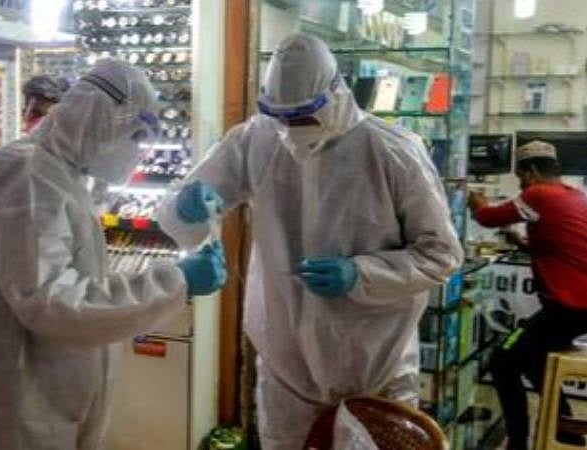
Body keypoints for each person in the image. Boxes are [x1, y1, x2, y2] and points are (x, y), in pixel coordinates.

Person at [157, 34, 463, 449]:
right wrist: (186, 206)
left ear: (335, 94)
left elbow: (441, 254)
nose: (291, 130)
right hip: (286, 365)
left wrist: (362, 274)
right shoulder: (257, 138)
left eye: (302, 117)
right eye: (281, 117)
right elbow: (182, 203)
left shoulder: (391, 150)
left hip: (375, 365)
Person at [0, 59, 226, 450]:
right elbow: (52, 303)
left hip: (47, 396)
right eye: (135, 136)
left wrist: (178, 209)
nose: (138, 151)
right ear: (100, 119)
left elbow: (71, 263)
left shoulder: (59, 173)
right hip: (17, 404)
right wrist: (175, 281)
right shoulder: (25, 176)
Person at [469, 140, 587, 450]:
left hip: (569, 307)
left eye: (520, 176)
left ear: (531, 171)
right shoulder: (573, 195)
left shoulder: (538, 194)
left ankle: (518, 442)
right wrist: (520, 242)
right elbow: (559, 246)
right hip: (577, 307)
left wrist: (473, 197)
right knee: (532, 360)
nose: (521, 184)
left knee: (502, 361)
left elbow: (485, 216)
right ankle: (566, 428)